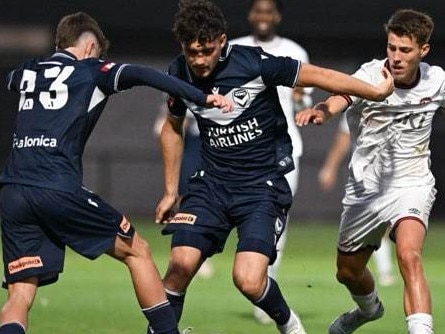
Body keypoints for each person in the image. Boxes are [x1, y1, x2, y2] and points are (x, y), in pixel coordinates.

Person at [155, 1, 393, 333]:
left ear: (222, 41)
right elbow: (171, 127)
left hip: (260, 185)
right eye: (191, 51)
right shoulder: (178, 73)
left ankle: (289, 323)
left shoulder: (253, 63)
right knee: (179, 265)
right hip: (210, 185)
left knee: (249, 281)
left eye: (206, 51)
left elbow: (320, 76)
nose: (198, 60)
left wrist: (375, 92)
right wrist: (169, 191)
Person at [0, 12, 232, 334]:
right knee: (138, 251)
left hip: (12, 192)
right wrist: (201, 97)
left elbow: (10, 79)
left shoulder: (26, 72)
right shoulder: (92, 71)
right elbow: (144, 75)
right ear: (90, 46)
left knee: (21, 292)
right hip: (56, 186)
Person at [296, 9, 442, 334]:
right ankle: (368, 309)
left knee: (409, 255)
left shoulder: (437, 81)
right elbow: (338, 98)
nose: (397, 56)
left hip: (413, 185)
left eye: (405, 50)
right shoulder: (370, 75)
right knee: (347, 272)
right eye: (392, 47)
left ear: (423, 50)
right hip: (366, 193)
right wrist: (322, 113)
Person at [229, 0, 313, 324]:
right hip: (238, 149)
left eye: (269, 11)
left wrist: (303, 100)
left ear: (276, 16)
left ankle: (263, 285)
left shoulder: (294, 50)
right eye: (257, 11)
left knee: (276, 221)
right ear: (250, 15)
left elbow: (304, 93)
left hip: (282, 148)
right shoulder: (233, 48)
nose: (263, 17)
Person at [318, 113, 396, 287]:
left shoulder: (400, 102)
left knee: (387, 222)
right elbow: (343, 137)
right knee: (369, 223)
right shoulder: (357, 103)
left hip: (396, 172)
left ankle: (384, 270)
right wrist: (330, 167)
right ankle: (372, 270)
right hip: (364, 175)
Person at [153, 105, 214, 279]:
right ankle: (185, 252)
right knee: (186, 196)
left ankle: (198, 251)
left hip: (206, 140)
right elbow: (169, 124)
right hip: (192, 142)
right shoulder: (180, 81)